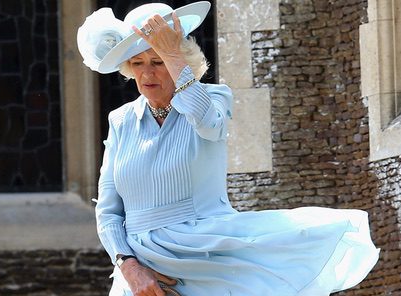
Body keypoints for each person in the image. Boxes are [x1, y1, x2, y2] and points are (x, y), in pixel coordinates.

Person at [77, 2, 379, 295]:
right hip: (138, 273)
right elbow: (108, 211)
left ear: (179, 62)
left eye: (158, 62)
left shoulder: (214, 98)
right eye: (138, 63)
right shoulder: (120, 120)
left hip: (204, 259)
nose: (147, 74)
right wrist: (128, 265)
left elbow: (208, 124)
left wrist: (172, 53)